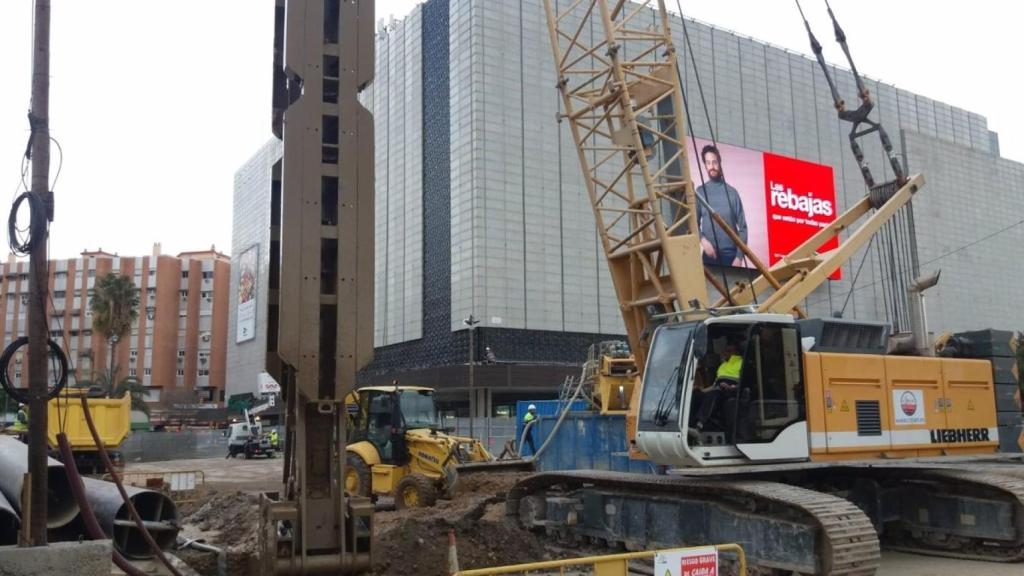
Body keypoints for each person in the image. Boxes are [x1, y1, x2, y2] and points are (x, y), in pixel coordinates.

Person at [695, 145, 748, 267]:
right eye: (708, 163)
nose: (712, 166)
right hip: (709, 257)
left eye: (714, 162)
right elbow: (693, 222)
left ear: (719, 162)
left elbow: (743, 228)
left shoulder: (732, 193)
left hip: (732, 258)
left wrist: (739, 257)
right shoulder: (700, 192)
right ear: (705, 165)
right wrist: (703, 241)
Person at [693, 342, 743, 432]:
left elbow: (745, 381)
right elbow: (714, 385)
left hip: (733, 390)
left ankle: (700, 425)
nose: (725, 353)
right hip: (719, 388)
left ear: (737, 352)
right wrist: (701, 390)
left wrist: (732, 387)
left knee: (714, 393)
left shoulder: (741, 362)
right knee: (695, 395)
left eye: (729, 351)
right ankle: (689, 425)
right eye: (725, 351)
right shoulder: (722, 366)